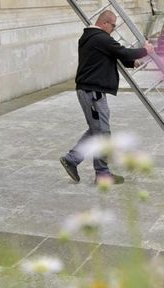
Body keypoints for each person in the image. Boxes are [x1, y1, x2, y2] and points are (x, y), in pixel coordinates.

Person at [60, 10, 155, 186]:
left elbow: (112, 56)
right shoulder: (100, 38)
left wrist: (133, 62)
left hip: (91, 91)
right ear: (104, 23)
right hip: (92, 92)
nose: (113, 29)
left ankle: (72, 159)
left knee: (96, 130)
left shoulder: (92, 37)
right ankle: (102, 174)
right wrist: (145, 50)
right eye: (113, 26)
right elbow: (122, 52)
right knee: (103, 133)